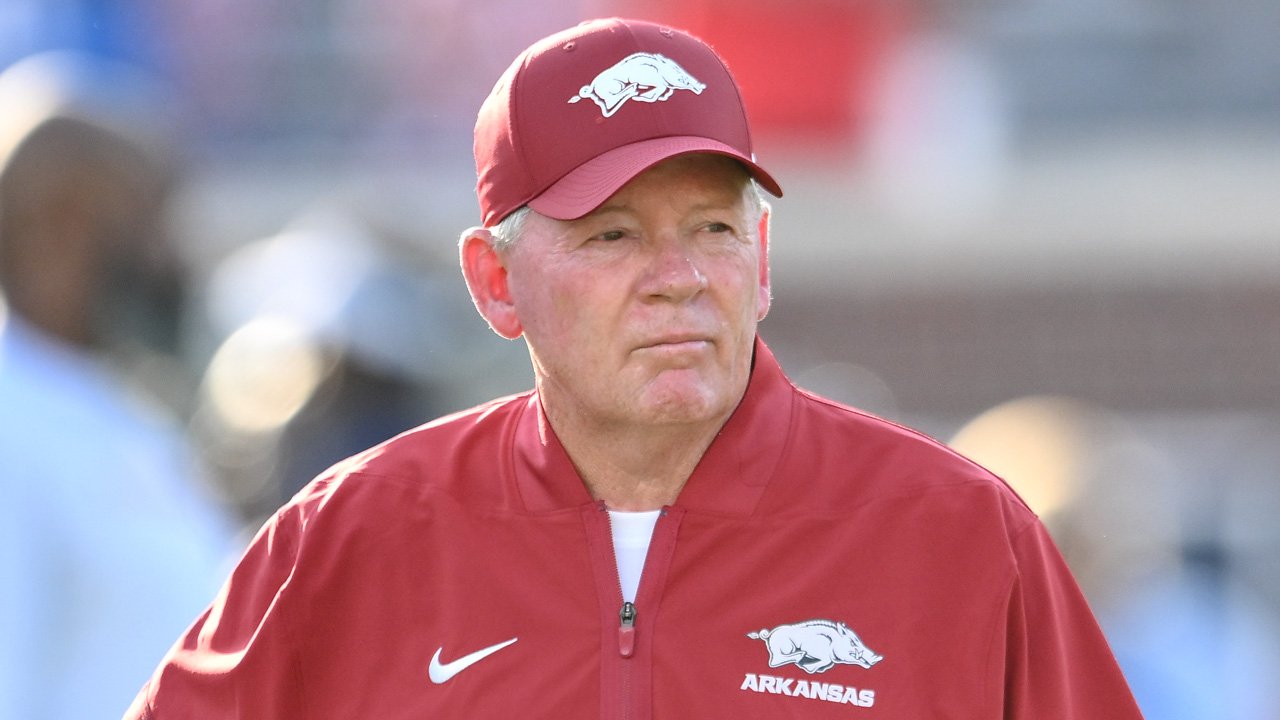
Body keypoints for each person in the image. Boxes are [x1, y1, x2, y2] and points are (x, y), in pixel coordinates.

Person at [126, 18, 1143, 719]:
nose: (677, 279)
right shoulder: (347, 537)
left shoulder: (958, 536)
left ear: (762, 261)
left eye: (710, 228)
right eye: (612, 237)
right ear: (494, 282)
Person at [0, 53, 239, 719]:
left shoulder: (112, 415)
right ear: (65, 221)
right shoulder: (10, 434)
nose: (171, 256)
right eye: (152, 218)